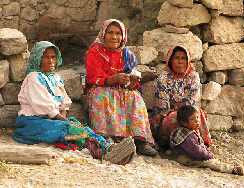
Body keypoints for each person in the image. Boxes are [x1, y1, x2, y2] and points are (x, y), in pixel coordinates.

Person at [13, 41, 136, 165]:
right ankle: (106, 149)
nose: (51, 61)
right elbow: (47, 109)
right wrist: (65, 123)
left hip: (51, 121)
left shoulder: (55, 78)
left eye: (53, 57)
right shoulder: (34, 78)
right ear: (38, 59)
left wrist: (65, 122)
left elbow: (65, 103)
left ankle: (107, 149)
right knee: (71, 129)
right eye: (46, 57)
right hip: (31, 124)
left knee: (80, 127)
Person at [85, 19, 157, 156]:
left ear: (123, 36)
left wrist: (132, 81)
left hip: (122, 91)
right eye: (110, 33)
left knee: (135, 97)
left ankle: (140, 141)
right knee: (102, 94)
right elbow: (91, 79)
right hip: (100, 90)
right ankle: (106, 138)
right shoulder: (95, 52)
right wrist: (112, 79)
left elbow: (131, 86)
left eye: (118, 33)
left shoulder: (127, 55)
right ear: (103, 34)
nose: (114, 37)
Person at [150, 45, 212, 148]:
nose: (180, 62)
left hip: (188, 113)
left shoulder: (193, 76)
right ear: (170, 61)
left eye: (183, 58)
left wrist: (174, 104)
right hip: (165, 118)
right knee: (179, 117)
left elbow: (192, 102)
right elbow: (163, 107)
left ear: (188, 61)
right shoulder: (163, 79)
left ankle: (202, 146)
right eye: (176, 58)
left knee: (196, 114)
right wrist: (183, 106)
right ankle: (179, 147)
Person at [169, 105, 244, 176]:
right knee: (211, 163)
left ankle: (229, 164)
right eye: (192, 119)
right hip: (187, 159)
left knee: (212, 157)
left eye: (198, 117)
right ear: (184, 123)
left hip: (191, 154)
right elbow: (198, 152)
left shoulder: (186, 131)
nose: (197, 121)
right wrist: (209, 155)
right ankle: (233, 170)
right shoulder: (189, 137)